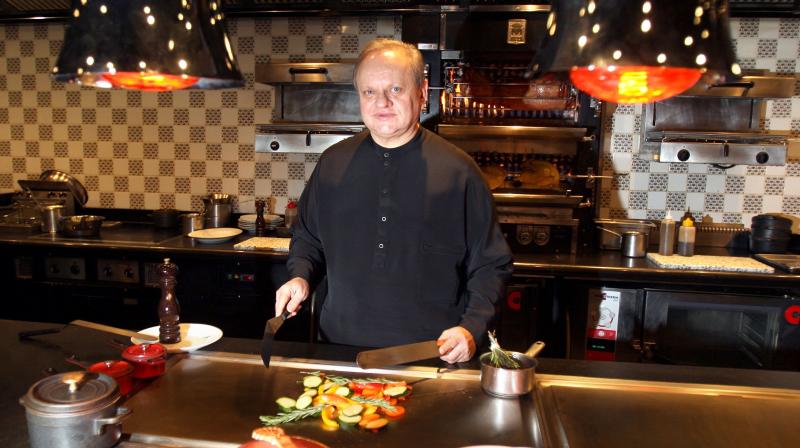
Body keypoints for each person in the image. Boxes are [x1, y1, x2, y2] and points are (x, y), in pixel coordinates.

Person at [274, 38, 513, 363]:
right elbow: (308, 238)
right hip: (339, 351)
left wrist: (471, 328)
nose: (381, 102)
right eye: (369, 92)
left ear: (422, 92)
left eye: (395, 89)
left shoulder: (459, 171)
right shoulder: (332, 163)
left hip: (431, 355)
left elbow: (490, 264)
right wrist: (300, 276)